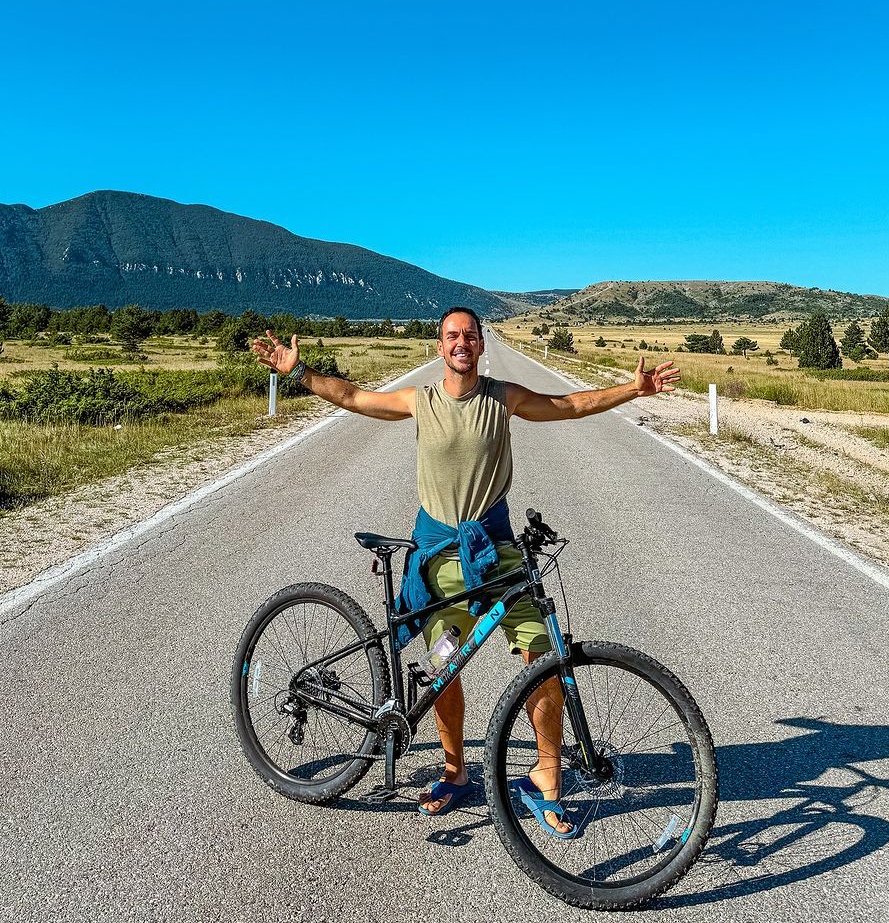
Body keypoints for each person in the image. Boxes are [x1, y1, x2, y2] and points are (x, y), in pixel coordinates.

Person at [251, 307, 679, 833]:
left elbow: (569, 405)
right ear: (440, 348)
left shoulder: (503, 397)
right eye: (452, 336)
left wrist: (632, 390)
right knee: (444, 666)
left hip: (496, 550)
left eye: (470, 336)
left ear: (480, 346)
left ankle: (548, 777)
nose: (461, 343)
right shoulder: (422, 400)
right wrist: (299, 372)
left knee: (539, 657)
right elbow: (354, 396)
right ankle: (455, 772)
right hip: (437, 560)